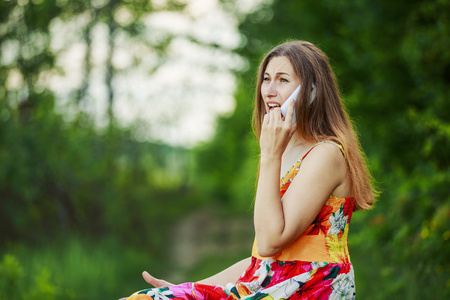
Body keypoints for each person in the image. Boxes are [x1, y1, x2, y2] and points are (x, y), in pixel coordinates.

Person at [122, 40, 377, 300]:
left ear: (311, 91)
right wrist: (189, 288)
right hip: (273, 284)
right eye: (266, 79)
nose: (269, 90)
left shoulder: (326, 153)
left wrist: (269, 154)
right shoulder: (282, 150)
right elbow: (262, 261)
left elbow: (270, 241)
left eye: (283, 80)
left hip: (312, 288)